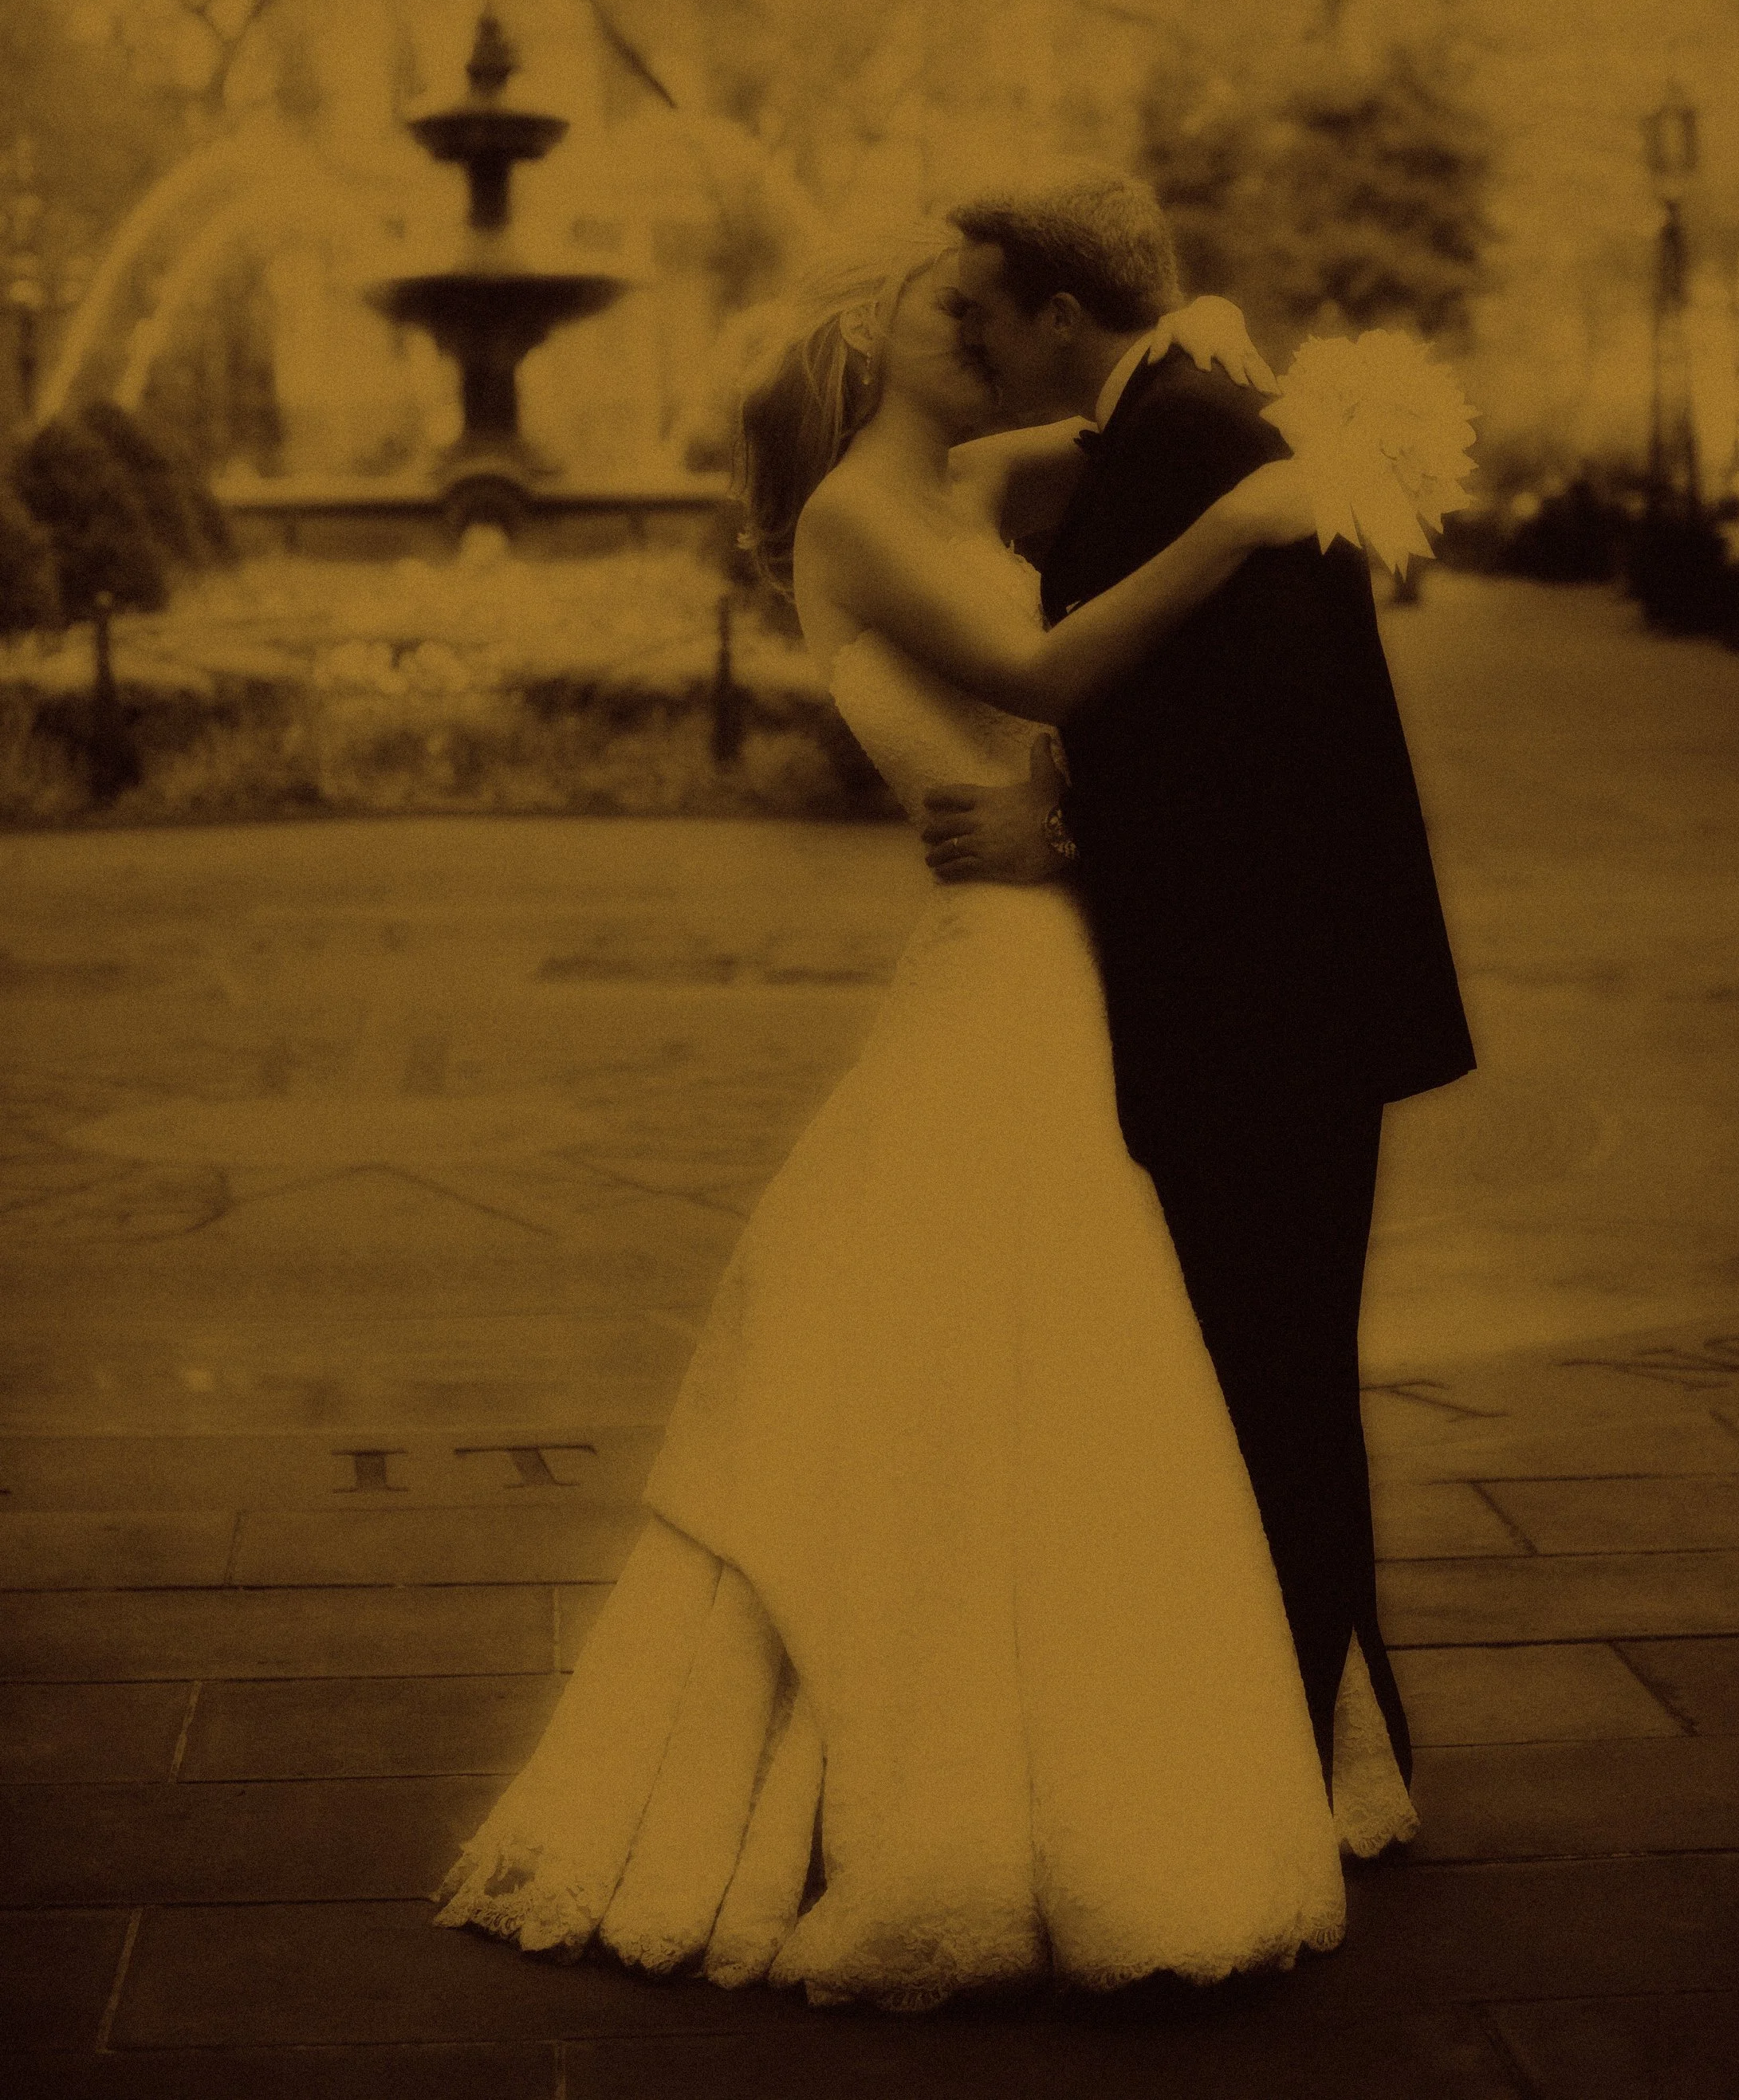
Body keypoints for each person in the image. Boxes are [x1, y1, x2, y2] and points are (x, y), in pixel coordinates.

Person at [433, 231, 1418, 2012]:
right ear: (858, 350)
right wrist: (1247, 519)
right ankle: (982, 1765)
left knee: (1095, 1357)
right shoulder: (851, 523)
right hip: (1005, 961)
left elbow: (1125, 491)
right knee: (1022, 1343)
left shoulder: (973, 491)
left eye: (982, 298)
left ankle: (1160, 1715)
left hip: (1066, 936)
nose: (973, 319)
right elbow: (1042, 686)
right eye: (939, 308)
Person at [925, 174, 1477, 1801]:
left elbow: (1278, 747)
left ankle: (1304, 1764)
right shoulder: (1166, 422)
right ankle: (1330, 1745)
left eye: (980, 306)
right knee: (1269, 1372)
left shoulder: (1185, 441)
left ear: (1058, 314)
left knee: (1275, 1378)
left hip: (1270, 1014)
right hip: (1273, 999)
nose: (967, 333)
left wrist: (1065, 819)